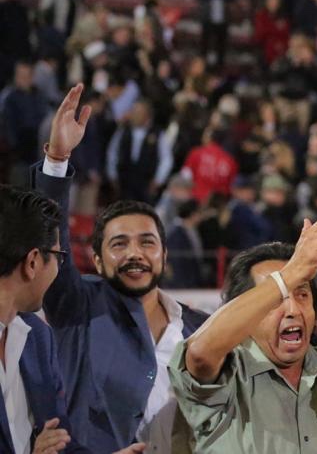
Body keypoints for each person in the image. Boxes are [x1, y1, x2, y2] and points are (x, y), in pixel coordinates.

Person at [30, 85, 209, 453]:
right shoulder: (77, 307)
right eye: (118, 244)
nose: (134, 253)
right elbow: (51, 241)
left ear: (163, 256)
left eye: (146, 242)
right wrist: (58, 160)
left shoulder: (200, 328)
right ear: (96, 260)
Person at [170, 221, 317, 453]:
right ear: (246, 312)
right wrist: (291, 273)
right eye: (275, 298)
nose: (292, 310)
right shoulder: (226, 376)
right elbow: (199, 354)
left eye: (302, 294)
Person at [0, 184, 99, 454]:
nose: (59, 268)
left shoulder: (38, 338)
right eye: (59, 257)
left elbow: (60, 442)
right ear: (33, 262)